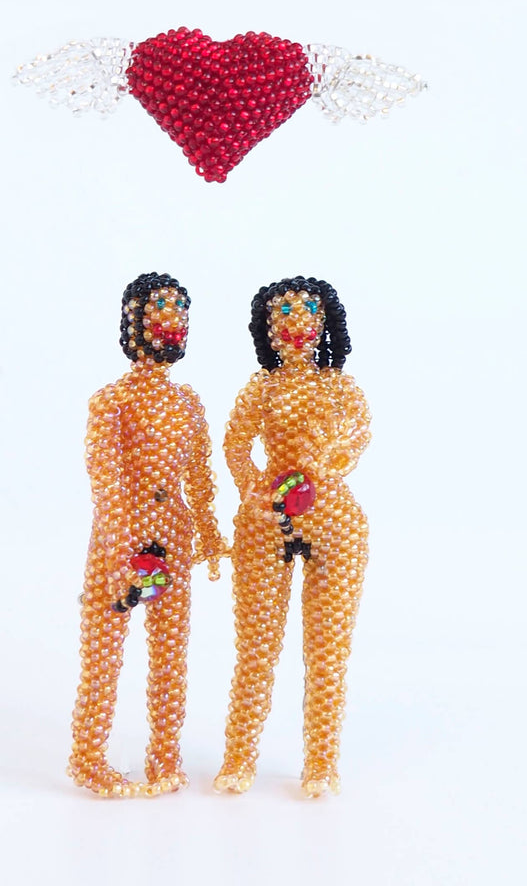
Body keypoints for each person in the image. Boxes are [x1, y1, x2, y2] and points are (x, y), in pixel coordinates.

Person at [68, 272, 227, 797]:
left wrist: (209, 534)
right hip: (120, 537)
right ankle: (89, 759)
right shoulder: (111, 400)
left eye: (181, 311)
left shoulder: (187, 402)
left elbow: (199, 476)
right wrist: (119, 549)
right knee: (104, 650)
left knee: (170, 652)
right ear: (134, 320)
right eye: (161, 309)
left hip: (174, 537)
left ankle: (165, 756)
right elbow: (106, 480)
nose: (173, 321)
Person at [215, 276, 371, 798]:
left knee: (328, 652)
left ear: (325, 321)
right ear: (266, 326)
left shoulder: (341, 388)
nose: (295, 322)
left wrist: (323, 464)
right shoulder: (262, 388)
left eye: (307, 310)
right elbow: (236, 446)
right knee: (255, 647)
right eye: (282, 312)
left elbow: (357, 438)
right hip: (266, 523)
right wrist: (254, 491)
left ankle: (321, 765)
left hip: (334, 523)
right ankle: (239, 758)